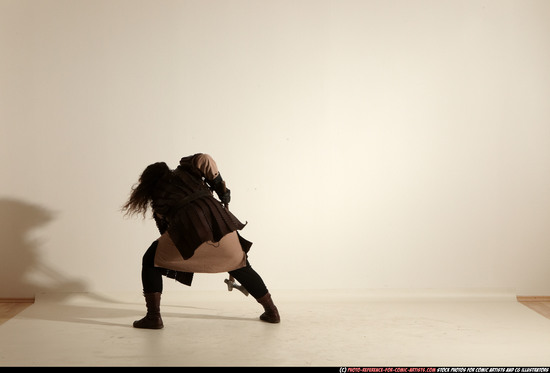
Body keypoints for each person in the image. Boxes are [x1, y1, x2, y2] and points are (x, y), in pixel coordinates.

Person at [121, 153, 280, 329]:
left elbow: (166, 231)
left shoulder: (159, 197)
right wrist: (221, 189)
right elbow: (204, 159)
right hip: (222, 226)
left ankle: (153, 317)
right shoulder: (188, 171)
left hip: (190, 233)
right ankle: (272, 312)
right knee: (241, 265)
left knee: (151, 260)